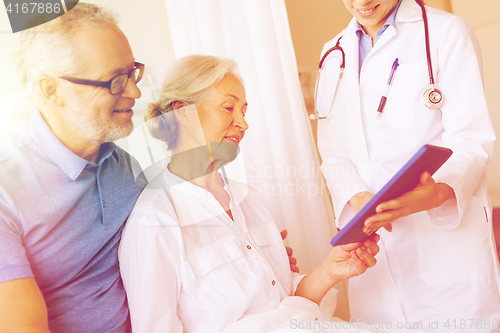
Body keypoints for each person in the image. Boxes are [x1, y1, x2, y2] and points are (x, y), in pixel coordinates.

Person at [118, 55, 380, 333]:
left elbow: (286, 300)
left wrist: (333, 269)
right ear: (182, 112)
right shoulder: (153, 221)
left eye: (244, 111)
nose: (242, 123)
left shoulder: (248, 199)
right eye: (228, 108)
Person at [316, 0, 500, 332]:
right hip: (373, 252)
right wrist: (357, 197)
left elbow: (472, 140)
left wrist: (439, 192)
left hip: (444, 246)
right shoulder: (333, 54)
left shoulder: (445, 32)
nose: (361, 2)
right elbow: (333, 152)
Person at [0, 3, 148, 332]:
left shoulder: (123, 167)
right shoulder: (6, 191)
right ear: (50, 90)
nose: (135, 91)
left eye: (133, 72)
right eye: (115, 81)